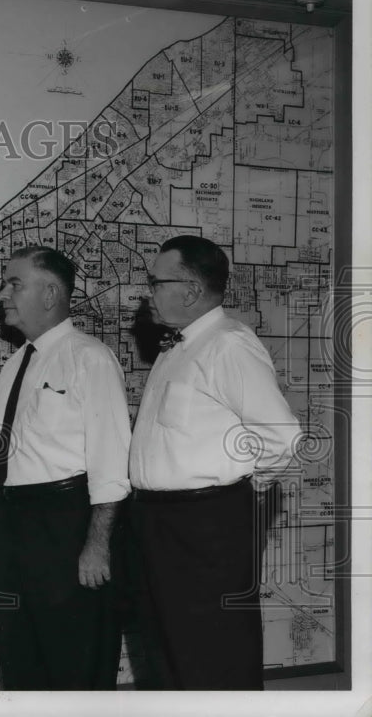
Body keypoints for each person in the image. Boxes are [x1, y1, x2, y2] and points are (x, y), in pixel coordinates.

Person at [129, 234, 299, 690]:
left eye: (156, 280)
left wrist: (236, 497)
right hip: (159, 524)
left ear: (189, 289)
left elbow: (280, 437)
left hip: (206, 527)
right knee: (167, 653)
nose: (149, 290)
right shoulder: (177, 348)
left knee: (214, 654)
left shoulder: (228, 345)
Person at [0, 245, 131, 690]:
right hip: (13, 523)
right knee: (20, 651)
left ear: (50, 293)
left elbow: (112, 461)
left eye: (14, 283)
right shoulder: (15, 364)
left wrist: (97, 545)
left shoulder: (90, 359)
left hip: (66, 524)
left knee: (74, 657)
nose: (2, 294)